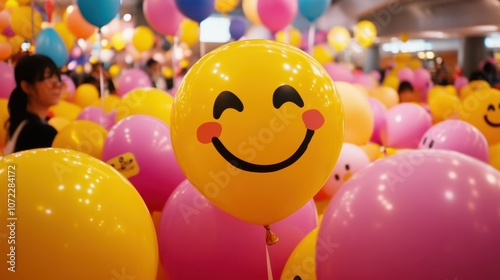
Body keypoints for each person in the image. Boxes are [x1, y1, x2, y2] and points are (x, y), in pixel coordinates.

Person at [3, 54, 63, 155]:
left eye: (57, 78)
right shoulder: (40, 131)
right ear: (26, 87)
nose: (57, 85)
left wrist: (11, 171)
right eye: (47, 78)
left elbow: (12, 168)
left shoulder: (20, 123)